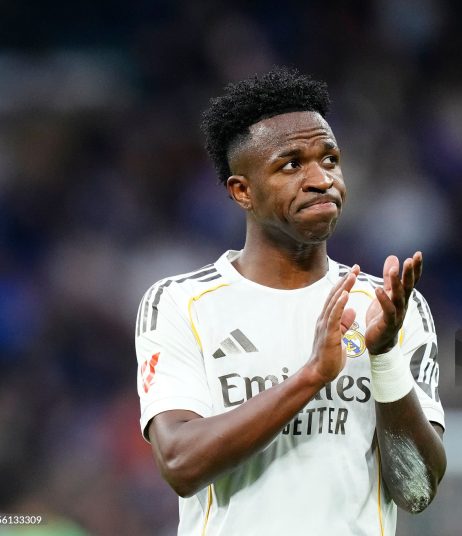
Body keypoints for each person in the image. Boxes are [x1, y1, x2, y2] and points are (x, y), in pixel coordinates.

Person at [135, 67, 446, 535]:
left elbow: (417, 489)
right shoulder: (182, 303)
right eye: (291, 165)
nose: (321, 179)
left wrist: (382, 356)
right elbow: (180, 462)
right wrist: (311, 377)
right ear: (242, 191)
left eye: (330, 159)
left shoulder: (390, 307)